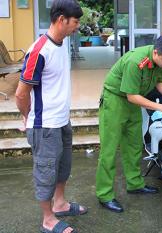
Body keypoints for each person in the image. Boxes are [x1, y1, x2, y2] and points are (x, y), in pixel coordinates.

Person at [15, 1, 87, 232]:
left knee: (63, 167)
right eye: (75, 22)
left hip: (62, 121)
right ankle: (48, 219)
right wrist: (28, 119)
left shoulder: (61, 45)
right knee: (46, 172)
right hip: (44, 125)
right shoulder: (39, 51)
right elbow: (21, 93)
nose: (77, 27)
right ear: (61, 19)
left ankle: (60, 204)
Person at [96, 34, 162, 213]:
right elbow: (131, 96)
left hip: (134, 104)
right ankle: (104, 195)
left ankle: (135, 184)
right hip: (115, 101)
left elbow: (160, 81)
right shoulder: (136, 61)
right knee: (109, 150)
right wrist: (161, 106)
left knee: (134, 145)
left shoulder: (160, 60)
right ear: (156, 52)